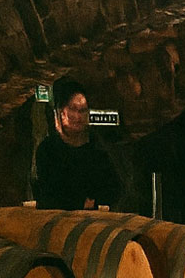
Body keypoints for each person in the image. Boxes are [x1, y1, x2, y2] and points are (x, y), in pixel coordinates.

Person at [32, 76, 121, 210]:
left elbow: (114, 190)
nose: (79, 117)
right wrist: (79, 203)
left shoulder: (97, 151)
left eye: (83, 110)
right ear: (62, 112)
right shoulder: (48, 150)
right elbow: (49, 194)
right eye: (73, 109)